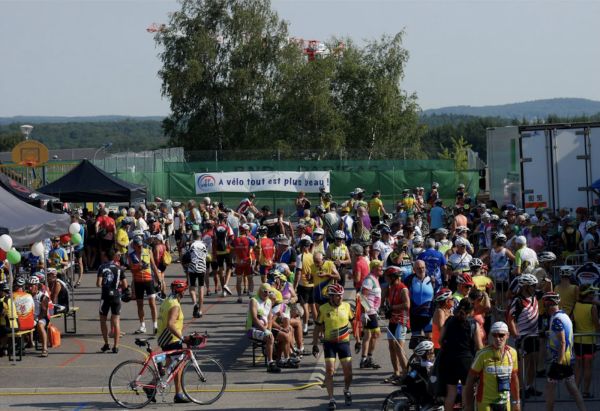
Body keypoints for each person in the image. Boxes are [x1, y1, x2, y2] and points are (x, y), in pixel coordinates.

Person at [312, 283, 354, 411]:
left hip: (344, 343)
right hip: (329, 343)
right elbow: (318, 327)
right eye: (337, 296)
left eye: (341, 295)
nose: (340, 298)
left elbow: (354, 323)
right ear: (331, 297)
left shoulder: (346, 306)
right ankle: (331, 399)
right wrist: (314, 344)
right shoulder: (323, 309)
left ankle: (346, 390)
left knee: (349, 374)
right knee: (330, 371)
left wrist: (358, 339)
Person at [543, 292, 587, 411]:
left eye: (545, 305)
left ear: (548, 304)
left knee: (550, 389)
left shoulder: (556, 320)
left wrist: (558, 363)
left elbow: (562, 342)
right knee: (573, 388)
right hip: (567, 359)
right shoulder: (564, 315)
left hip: (559, 360)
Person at [463, 321, 520, 411]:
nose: (498, 339)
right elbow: (470, 379)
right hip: (485, 402)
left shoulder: (513, 353)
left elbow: (514, 378)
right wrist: (468, 405)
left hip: (505, 401)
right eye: (494, 335)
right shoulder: (482, 354)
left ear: (507, 335)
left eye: (501, 335)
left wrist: (517, 402)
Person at [438, 298, 483, 411]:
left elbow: (440, 340)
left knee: (451, 393)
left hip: (449, 360)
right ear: (471, 311)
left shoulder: (449, 321)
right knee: (466, 394)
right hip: (466, 362)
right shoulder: (473, 323)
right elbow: (479, 347)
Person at [156, 280, 191, 404]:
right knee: (178, 367)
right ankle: (178, 394)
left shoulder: (167, 300)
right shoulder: (175, 305)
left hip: (163, 337)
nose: (185, 292)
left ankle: (151, 386)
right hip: (172, 339)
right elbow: (171, 324)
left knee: (170, 365)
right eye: (185, 290)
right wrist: (182, 338)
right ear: (181, 291)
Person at [507, 273, 541, 398]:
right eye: (533, 285)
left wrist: (549, 282)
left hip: (534, 335)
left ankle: (529, 386)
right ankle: (520, 389)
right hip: (523, 337)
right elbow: (510, 318)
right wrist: (515, 335)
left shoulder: (534, 296)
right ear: (526, 287)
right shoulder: (518, 301)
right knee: (523, 365)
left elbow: (549, 291)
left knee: (534, 362)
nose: (535, 287)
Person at [97, 247, 127, 353]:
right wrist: (117, 284)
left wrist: (106, 283)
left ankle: (106, 343)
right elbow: (125, 285)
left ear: (106, 256)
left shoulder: (102, 267)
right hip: (116, 295)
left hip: (105, 296)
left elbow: (98, 284)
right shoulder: (119, 268)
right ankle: (116, 345)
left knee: (103, 320)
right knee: (116, 321)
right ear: (114, 256)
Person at [128, 236, 161, 335]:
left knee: (152, 303)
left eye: (141, 245)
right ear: (134, 246)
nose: (140, 247)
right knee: (140, 305)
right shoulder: (131, 255)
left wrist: (158, 279)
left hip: (148, 280)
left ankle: (155, 325)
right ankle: (142, 326)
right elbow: (132, 270)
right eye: (138, 246)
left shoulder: (148, 251)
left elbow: (154, 265)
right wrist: (140, 267)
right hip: (138, 282)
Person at [246, 283, 281, 374]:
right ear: (260, 291)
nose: (267, 294)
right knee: (270, 337)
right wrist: (265, 330)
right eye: (265, 292)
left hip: (265, 328)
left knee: (285, 335)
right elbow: (254, 318)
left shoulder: (269, 301)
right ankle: (270, 363)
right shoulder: (254, 301)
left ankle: (283, 359)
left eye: (269, 292)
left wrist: (268, 328)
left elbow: (269, 318)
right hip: (252, 329)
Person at [383, 266, 410, 384]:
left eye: (388, 277)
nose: (386, 279)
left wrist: (392, 307)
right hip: (392, 320)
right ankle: (396, 373)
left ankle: (405, 374)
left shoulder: (403, 289)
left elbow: (407, 305)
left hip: (401, 320)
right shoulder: (390, 287)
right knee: (391, 347)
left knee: (399, 348)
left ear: (393, 277)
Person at [572, 284, 600, 398]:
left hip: (578, 340)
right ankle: (586, 392)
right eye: (592, 293)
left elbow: (573, 321)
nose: (594, 295)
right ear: (588, 295)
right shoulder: (592, 308)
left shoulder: (576, 305)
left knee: (579, 367)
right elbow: (597, 326)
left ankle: (575, 391)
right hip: (589, 340)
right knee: (588, 367)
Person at [359, 260, 383, 369]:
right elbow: (363, 297)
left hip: (373, 311)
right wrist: (364, 313)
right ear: (373, 268)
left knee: (368, 335)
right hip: (370, 312)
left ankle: (365, 359)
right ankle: (368, 358)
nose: (382, 269)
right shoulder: (369, 280)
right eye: (380, 267)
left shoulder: (375, 278)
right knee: (376, 333)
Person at [406, 260, 434, 339]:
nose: (421, 270)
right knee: (416, 340)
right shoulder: (409, 280)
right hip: (415, 314)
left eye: (423, 268)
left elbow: (438, 296)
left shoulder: (432, 279)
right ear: (414, 269)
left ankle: (430, 352)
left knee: (429, 339)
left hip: (428, 314)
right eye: (418, 268)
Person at [187, 228, 208, 317]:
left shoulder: (191, 245)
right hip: (202, 268)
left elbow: (187, 256)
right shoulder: (204, 245)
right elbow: (206, 256)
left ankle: (195, 303)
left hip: (192, 268)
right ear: (200, 236)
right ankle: (200, 310)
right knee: (201, 288)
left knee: (192, 288)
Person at [232, 224, 255, 303]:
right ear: (246, 231)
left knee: (238, 280)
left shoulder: (236, 239)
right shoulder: (248, 239)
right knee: (250, 279)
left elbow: (231, 247)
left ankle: (239, 297)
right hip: (247, 262)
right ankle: (251, 294)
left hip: (238, 262)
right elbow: (255, 245)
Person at [27, 277, 50, 357]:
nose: (29, 287)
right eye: (28, 285)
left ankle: (44, 348)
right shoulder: (26, 296)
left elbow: (43, 312)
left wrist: (36, 319)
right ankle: (29, 341)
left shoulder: (43, 297)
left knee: (40, 325)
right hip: (30, 317)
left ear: (36, 286)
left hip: (41, 317)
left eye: (31, 286)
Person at [432, 288, 453, 354]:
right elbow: (441, 329)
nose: (453, 300)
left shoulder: (449, 310)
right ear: (447, 301)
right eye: (452, 299)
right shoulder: (440, 311)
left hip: (446, 344)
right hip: (439, 346)